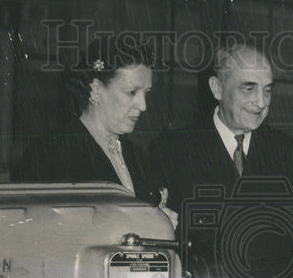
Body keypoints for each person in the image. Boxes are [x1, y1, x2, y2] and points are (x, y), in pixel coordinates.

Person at [150, 43, 293, 278]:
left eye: (268, 90)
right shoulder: (171, 150)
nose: (261, 103)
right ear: (217, 88)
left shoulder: (287, 153)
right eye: (249, 89)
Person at [12, 39, 175, 224]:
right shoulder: (49, 154)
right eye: (131, 92)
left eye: (146, 93)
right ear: (96, 90)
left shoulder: (138, 157)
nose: (143, 105)